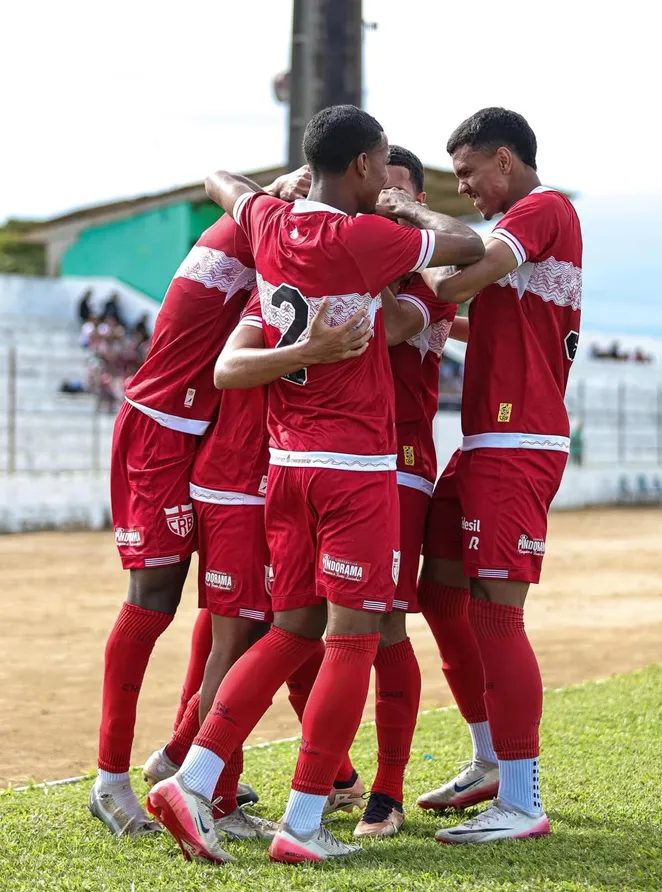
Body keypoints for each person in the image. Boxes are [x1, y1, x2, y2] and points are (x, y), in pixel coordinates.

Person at [146, 104, 484, 865]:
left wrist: (275, 188)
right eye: (382, 169)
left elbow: (220, 182)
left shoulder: (269, 220)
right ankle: (302, 824)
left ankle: (194, 777)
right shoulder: (364, 236)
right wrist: (408, 210)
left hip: (285, 466)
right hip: (353, 470)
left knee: (294, 630)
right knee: (353, 640)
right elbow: (469, 243)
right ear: (364, 166)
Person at [88, 168, 311, 838]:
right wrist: (280, 188)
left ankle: (195, 769)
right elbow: (220, 180)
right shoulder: (262, 227)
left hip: (201, 439)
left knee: (225, 612)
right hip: (160, 430)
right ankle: (109, 781)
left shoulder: (266, 232)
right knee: (153, 604)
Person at [417, 107, 582, 844]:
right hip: (487, 438)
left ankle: (521, 801)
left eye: (467, 174)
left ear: (505, 162)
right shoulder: (530, 232)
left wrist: (410, 228)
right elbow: (478, 315)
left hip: (518, 440)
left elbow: (458, 286)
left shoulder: (542, 208)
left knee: (495, 612)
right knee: (437, 588)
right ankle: (488, 760)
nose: (466, 190)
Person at [349, 145, 457, 839]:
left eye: (397, 199)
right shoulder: (339, 258)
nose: (381, 209)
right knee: (296, 617)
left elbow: (387, 328)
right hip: (322, 459)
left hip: (398, 463)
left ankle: (386, 791)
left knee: (381, 622)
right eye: (374, 196)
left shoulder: (428, 280)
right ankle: (326, 775)